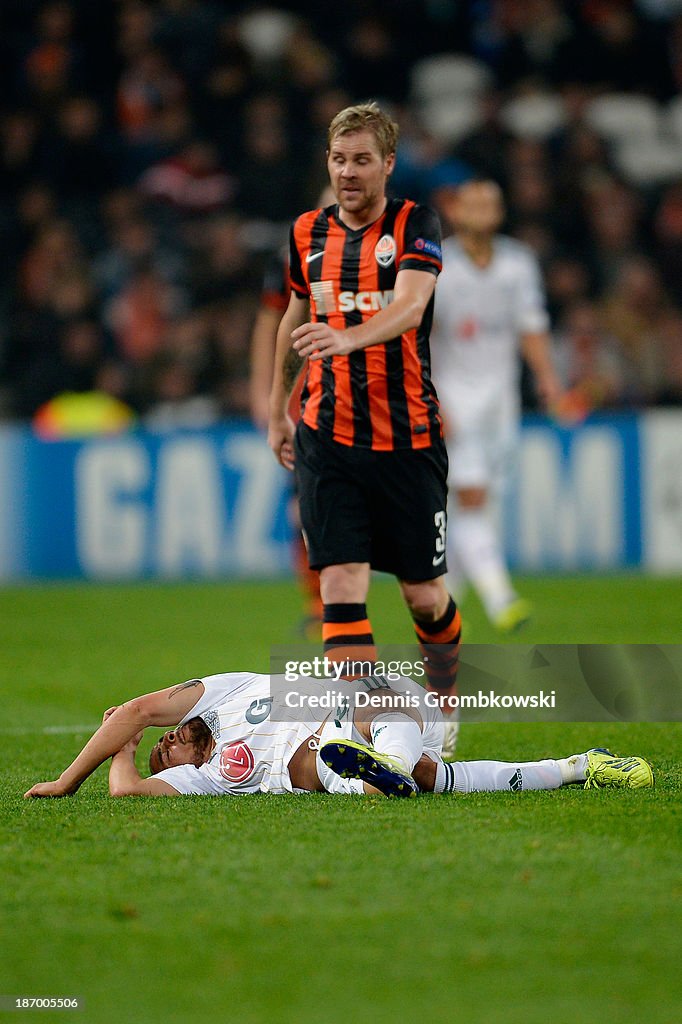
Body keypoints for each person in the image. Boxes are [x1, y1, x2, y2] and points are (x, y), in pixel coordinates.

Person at [267, 101, 461, 755]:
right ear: (328, 162)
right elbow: (294, 324)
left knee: (426, 596)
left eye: (362, 160)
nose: (349, 172)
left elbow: (409, 308)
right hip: (327, 433)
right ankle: (365, 725)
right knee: (339, 582)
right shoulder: (304, 233)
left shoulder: (416, 224)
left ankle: (443, 704)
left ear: (388, 165)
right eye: (339, 159)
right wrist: (276, 406)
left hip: (407, 438)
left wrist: (346, 338)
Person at [23, 670, 654, 799]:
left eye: (163, 740)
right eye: (161, 756)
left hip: (372, 703)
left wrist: (64, 780)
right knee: (328, 762)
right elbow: (129, 791)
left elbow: (134, 709)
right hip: (328, 759)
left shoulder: (224, 691)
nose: (162, 750)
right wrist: (126, 757)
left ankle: (385, 772)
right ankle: (579, 766)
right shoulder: (205, 776)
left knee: (367, 709)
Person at [430, 179, 562, 632]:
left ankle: (444, 605)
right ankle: (501, 599)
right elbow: (418, 338)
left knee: (472, 507)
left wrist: (547, 379)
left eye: (492, 201)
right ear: (457, 210)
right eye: (475, 202)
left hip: (500, 403)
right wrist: (430, 399)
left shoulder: (517, 263)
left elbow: (531, 325)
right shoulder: (439, 264)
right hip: (452, 399)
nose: (484, 209)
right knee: (471, 496)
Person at [249, 246, 323, 638]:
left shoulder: (390, 249)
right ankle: (321, 605)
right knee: (304, 508)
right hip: (308, 400)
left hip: (370, 400)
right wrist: (266, 394)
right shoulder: (295, 257)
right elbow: (271, 321)